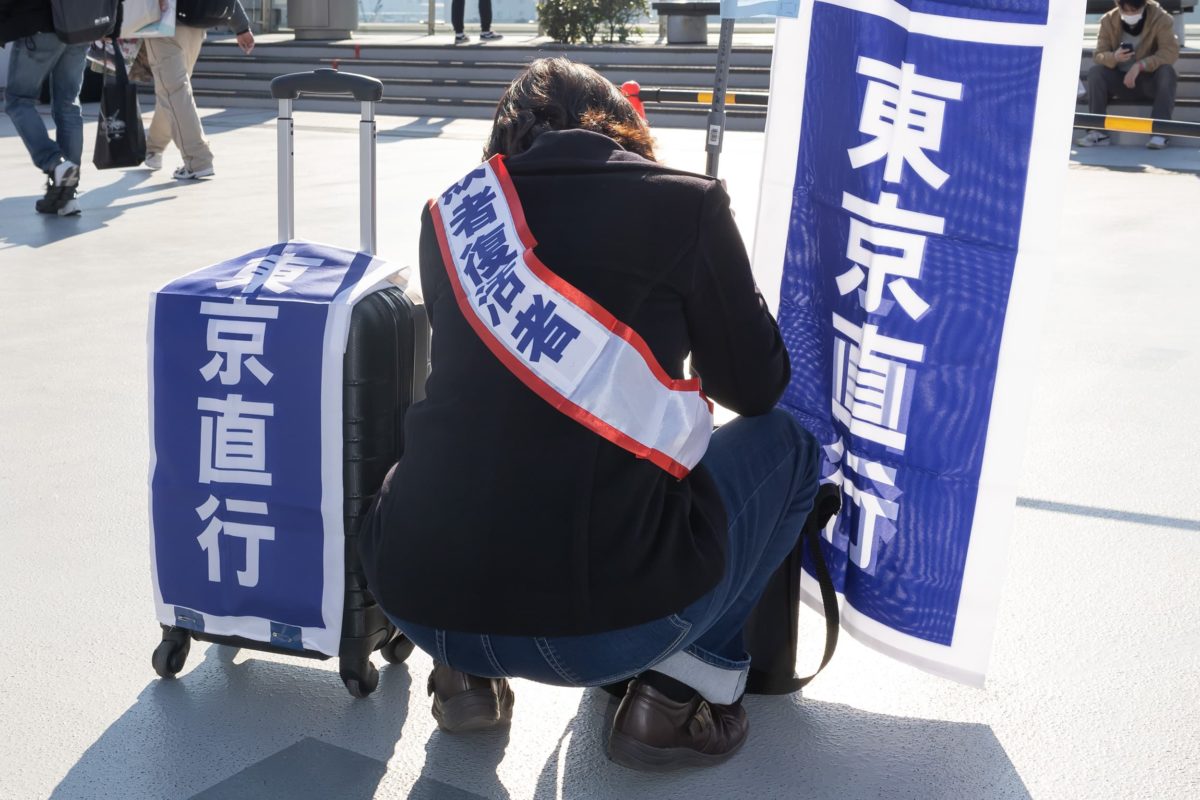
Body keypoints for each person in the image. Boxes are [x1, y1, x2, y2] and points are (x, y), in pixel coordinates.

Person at [360, 58, 823, 771]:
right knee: (788, 445)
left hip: (420, 600)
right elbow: (756, 391)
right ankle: (676, 693)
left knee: (467, 436)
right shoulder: (685, 204)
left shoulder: (452, 214)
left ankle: (465, 678)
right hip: (603, 631)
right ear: (623, 123)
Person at [142, 0, 254, 179]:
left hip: (163, 19)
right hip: (197, 21)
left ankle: (198, 160)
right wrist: (241, 26)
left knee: (174, 91)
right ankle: (153, 148)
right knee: (175, 91)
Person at [1, 0, 92, 216]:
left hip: (41, 23)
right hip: (82, 25)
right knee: (68, 104)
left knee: (18, 100)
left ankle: (54, 162)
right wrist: (112, 25)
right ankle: (68, 196)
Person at [1079, 0, 1178, 150]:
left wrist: (1140, 66)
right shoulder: (1108, 20)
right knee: (1096, 72)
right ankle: (1097, 131)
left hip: (1148, 81)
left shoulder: (1161, 18)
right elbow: (1098, 55)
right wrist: (1114, 57)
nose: (1130, 14)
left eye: (1135, 10)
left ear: (1144, 5)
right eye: (1126, 11)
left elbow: (1169, 53)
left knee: (1167, 72)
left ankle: (1160, 133)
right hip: (1119, 80)